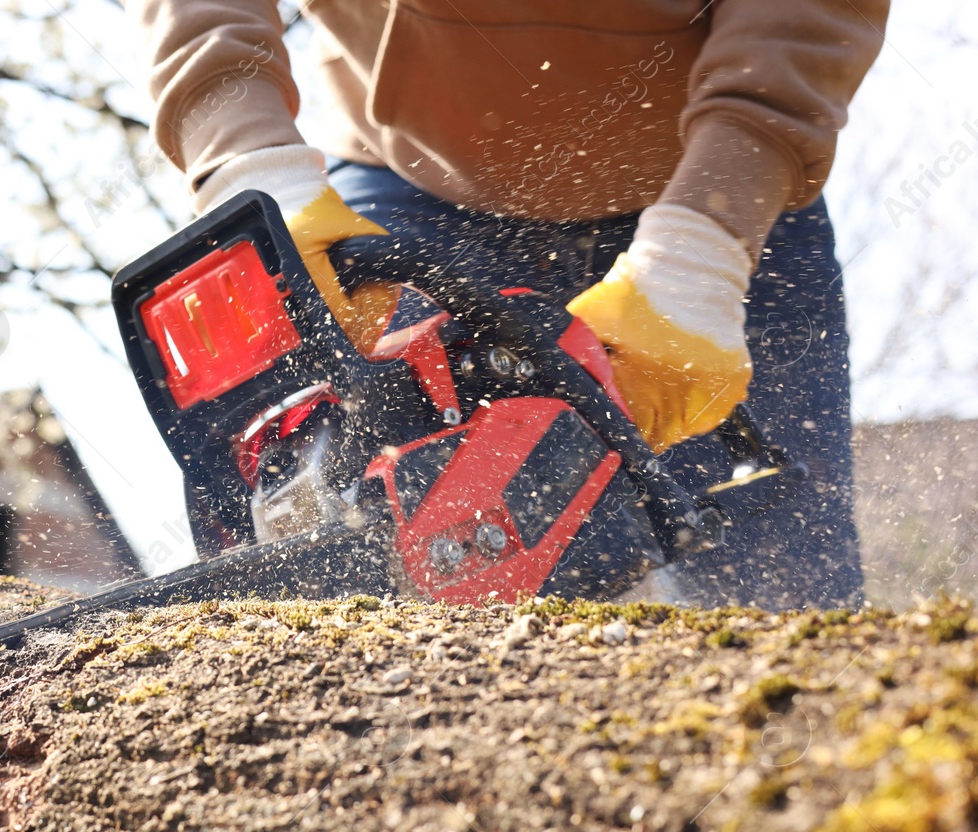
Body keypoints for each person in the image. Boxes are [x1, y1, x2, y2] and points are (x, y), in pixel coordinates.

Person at [129, 1, 889, 609]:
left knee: (786, 591)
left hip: (724, 182)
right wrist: (254, 167)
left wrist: (706, 251)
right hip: (406, 182)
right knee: (376, 542)